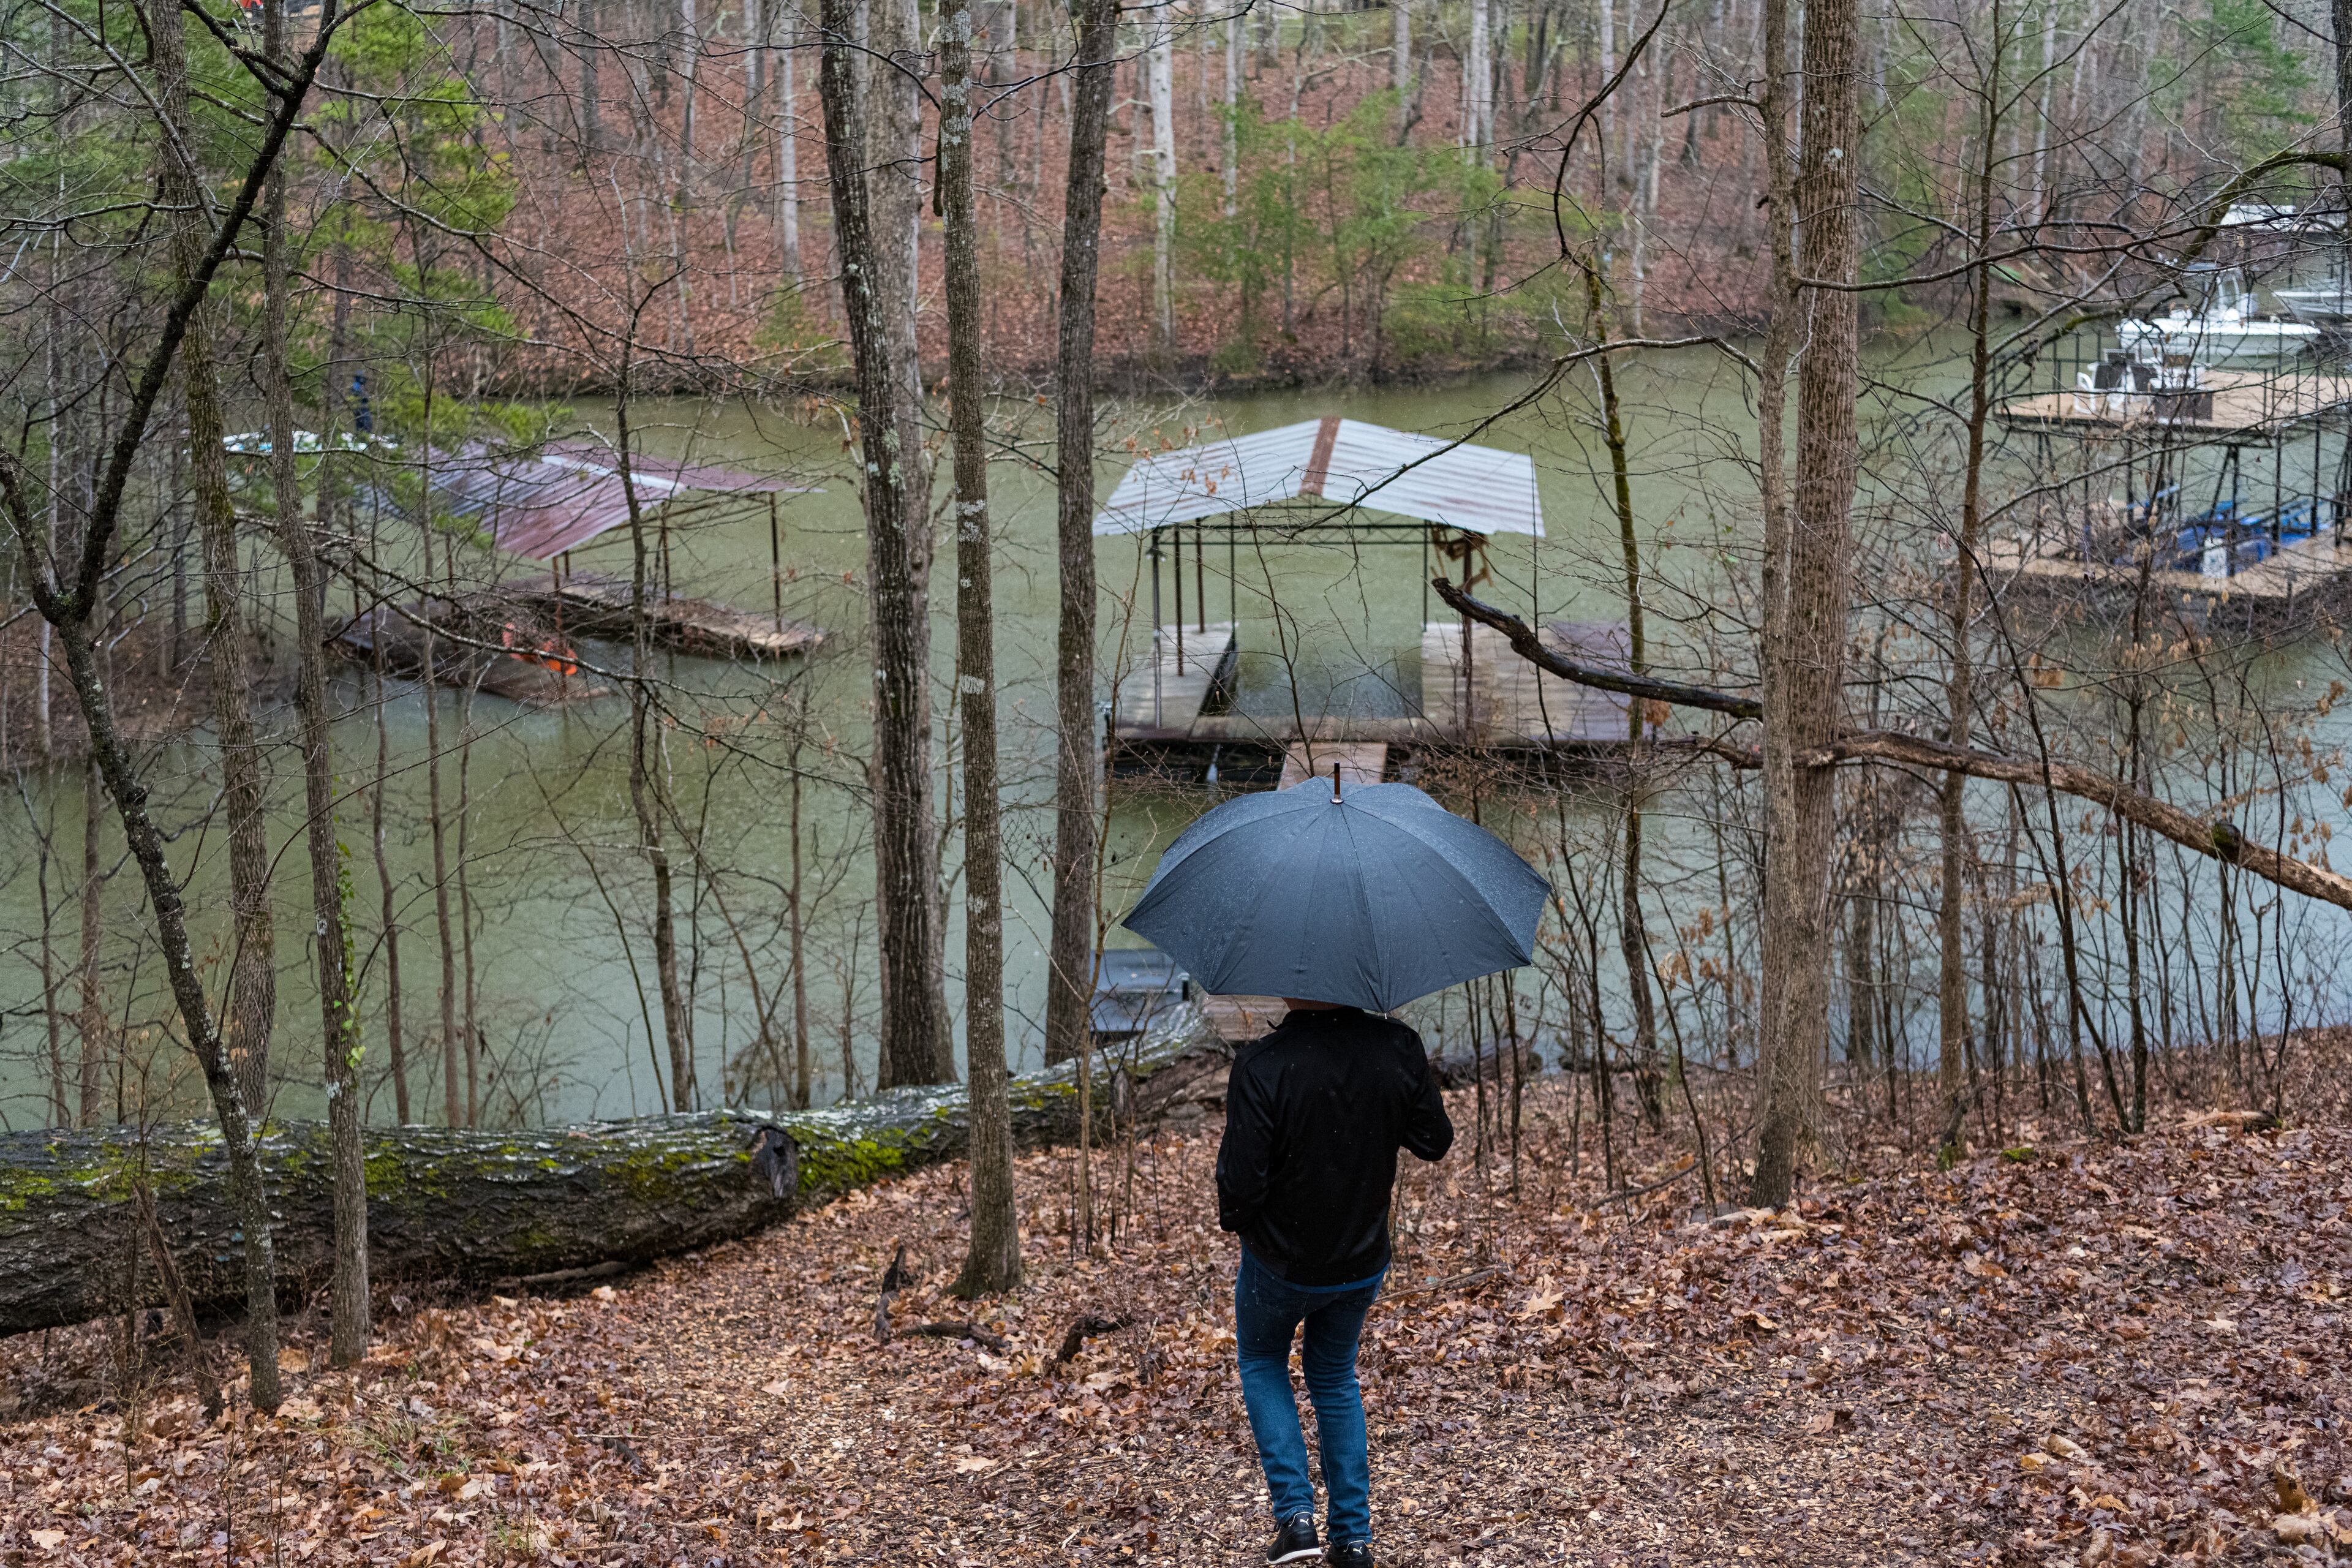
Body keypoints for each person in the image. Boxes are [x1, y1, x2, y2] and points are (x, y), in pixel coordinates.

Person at [1215, 995, 1455, 1568]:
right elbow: (1434, 1139)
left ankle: (1296, 1520)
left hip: (1282, 1263)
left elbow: (1237, 1197)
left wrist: (1259, 1224)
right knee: (1332, 1375)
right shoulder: (1394, 1046)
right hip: (1359, 1260)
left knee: (1262, 1361)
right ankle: (1352, 1539)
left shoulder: (1263, 1065)